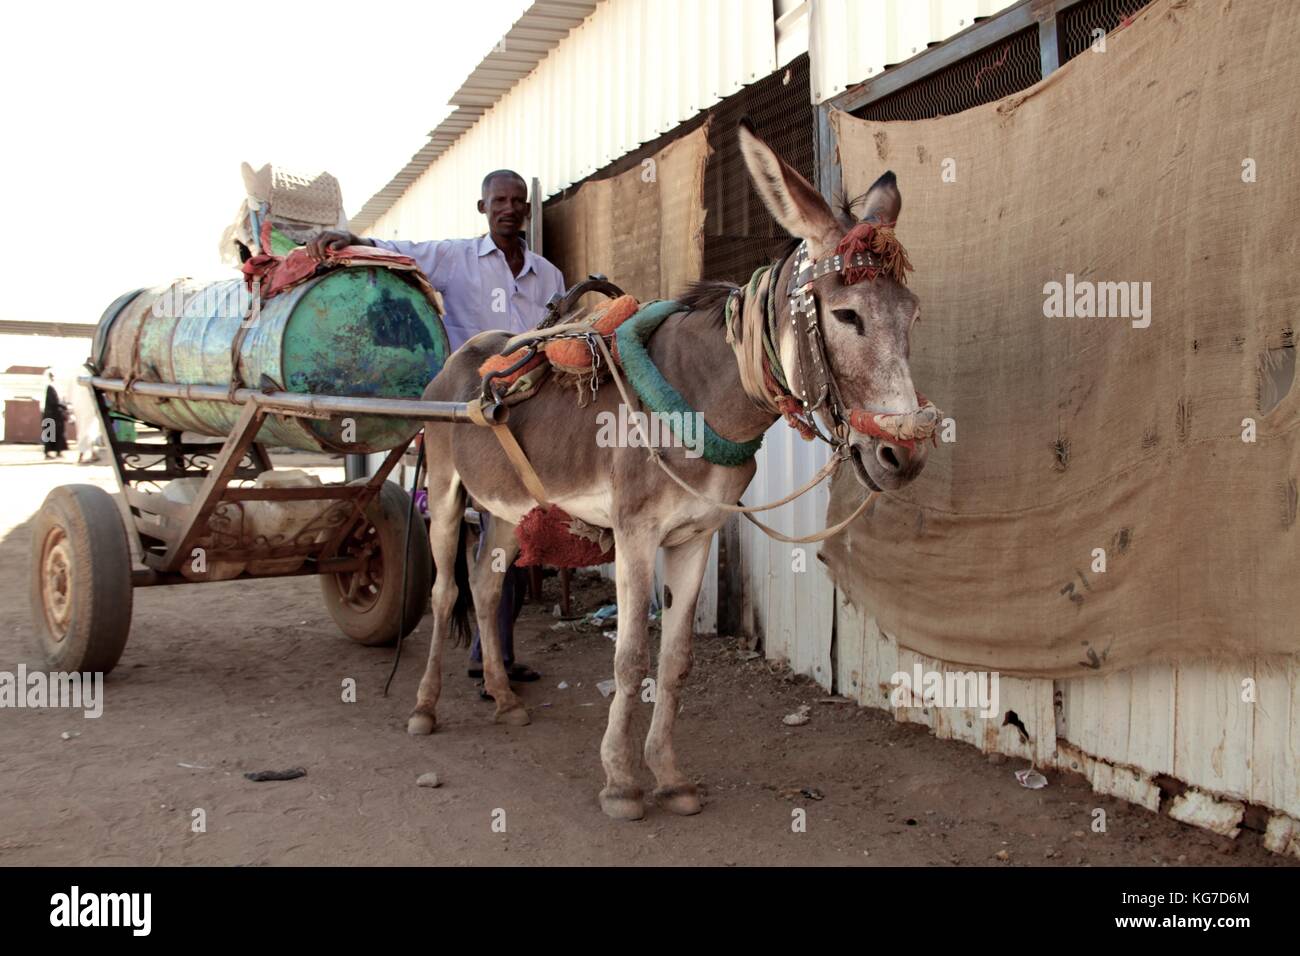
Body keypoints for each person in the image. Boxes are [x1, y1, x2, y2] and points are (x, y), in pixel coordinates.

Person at [306, 169, 564, 694]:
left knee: (515, 533)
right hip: (468, 417)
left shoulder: (548, 276)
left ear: (528, 210)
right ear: (483, 207)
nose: (509, 209)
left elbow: (556, 337)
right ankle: (486, 655)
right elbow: (405, 253)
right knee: (479, 535)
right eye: (499, 201)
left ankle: (492, 654)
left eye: (518, 201)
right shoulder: (457, 259)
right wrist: (357, 242)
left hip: (527, 416)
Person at [42, 372, 68, 459]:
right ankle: (49, 452)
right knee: (50, 434)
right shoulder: (50, 387)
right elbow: (54, 401)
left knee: (57, 434)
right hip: (51, 415)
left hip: (55, 415)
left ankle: (58, 451)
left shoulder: (53, 387)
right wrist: (64, 406)